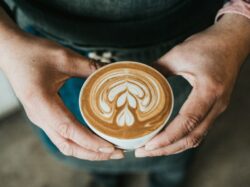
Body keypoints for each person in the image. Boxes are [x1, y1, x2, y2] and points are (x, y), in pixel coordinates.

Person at [0, 0, 249, 186]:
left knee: (180, 143)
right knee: (85, 147)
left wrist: (239, 25)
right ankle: (105, 178)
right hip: (47, 49)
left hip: (185, 42)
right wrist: (6, 42)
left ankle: (169, 180)